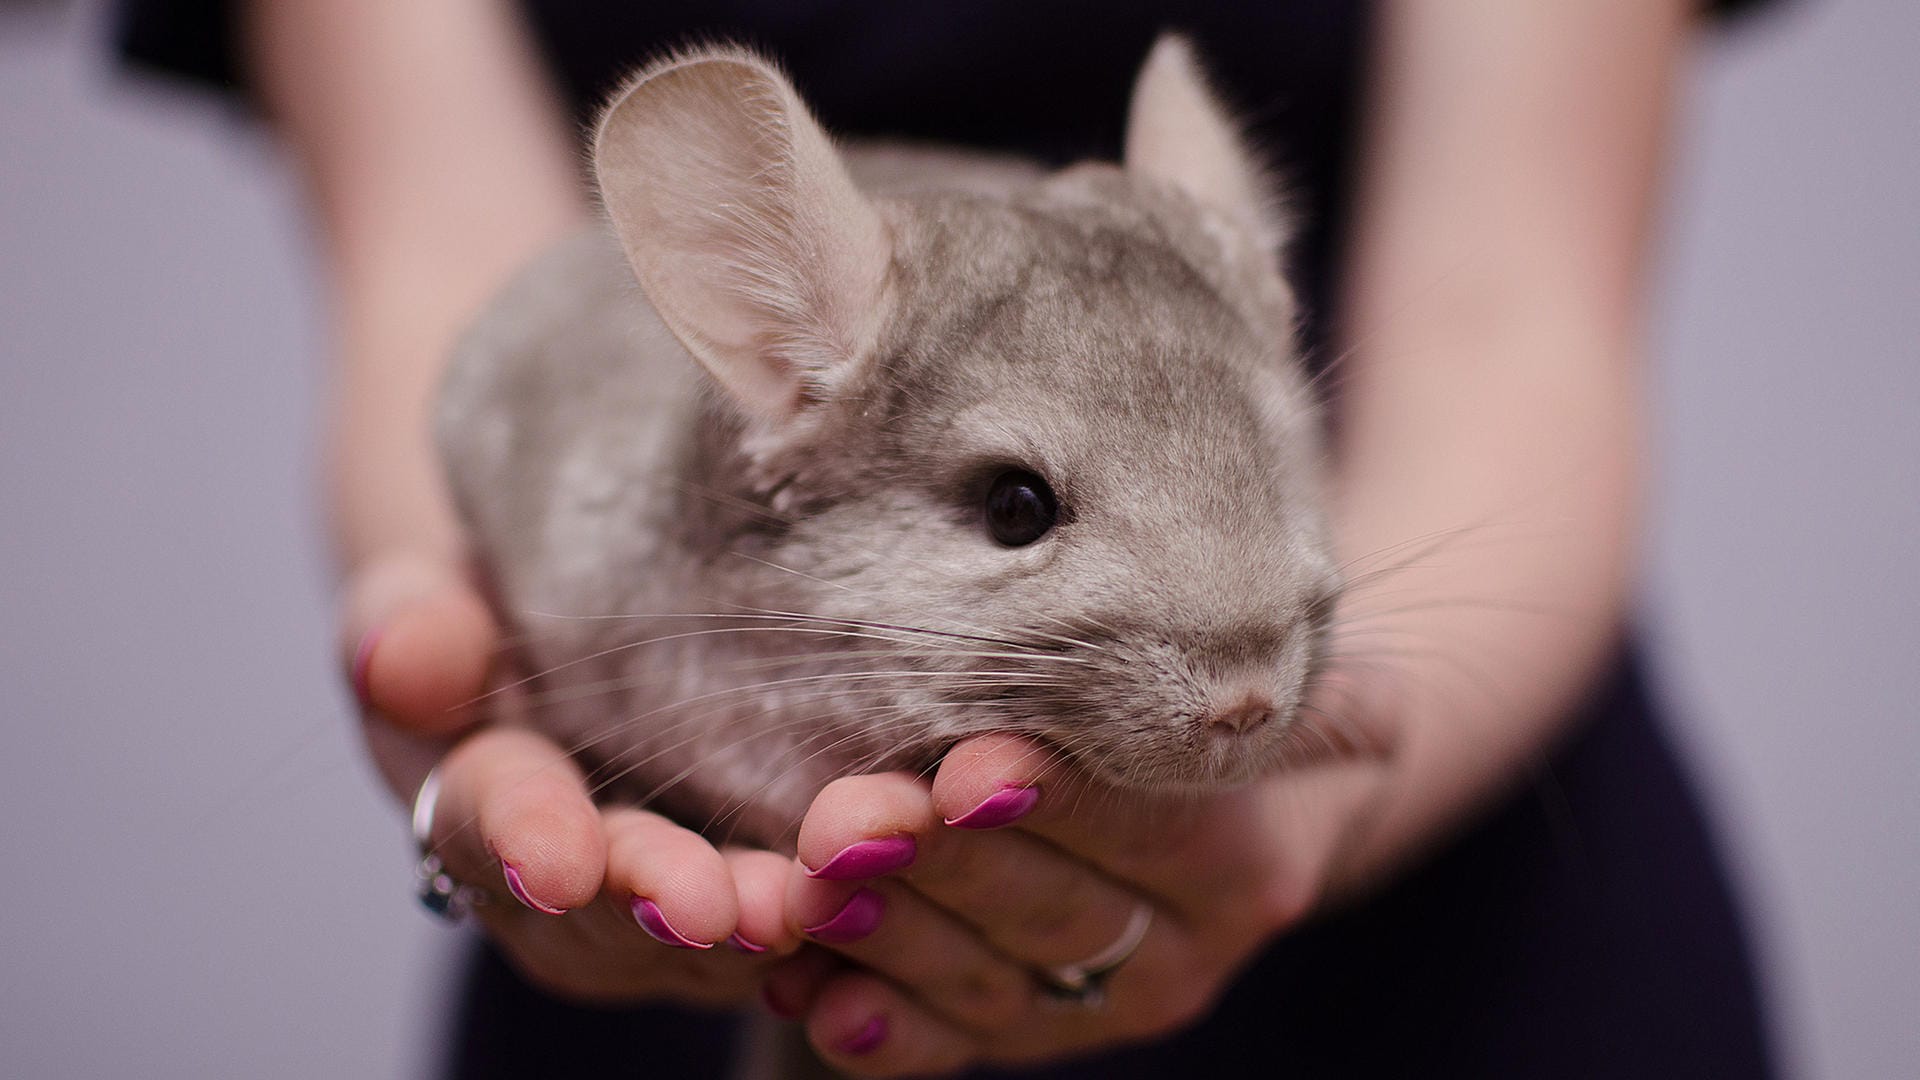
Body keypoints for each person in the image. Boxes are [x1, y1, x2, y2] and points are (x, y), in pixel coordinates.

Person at [121, 1, 1779, 1075]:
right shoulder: (754, 389)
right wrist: (465, 670)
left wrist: (1337, 790)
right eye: (1016, 506)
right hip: (677, 946)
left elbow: (1515, 311)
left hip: (1447, 941)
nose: (1231, 685)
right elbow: (460, 288)